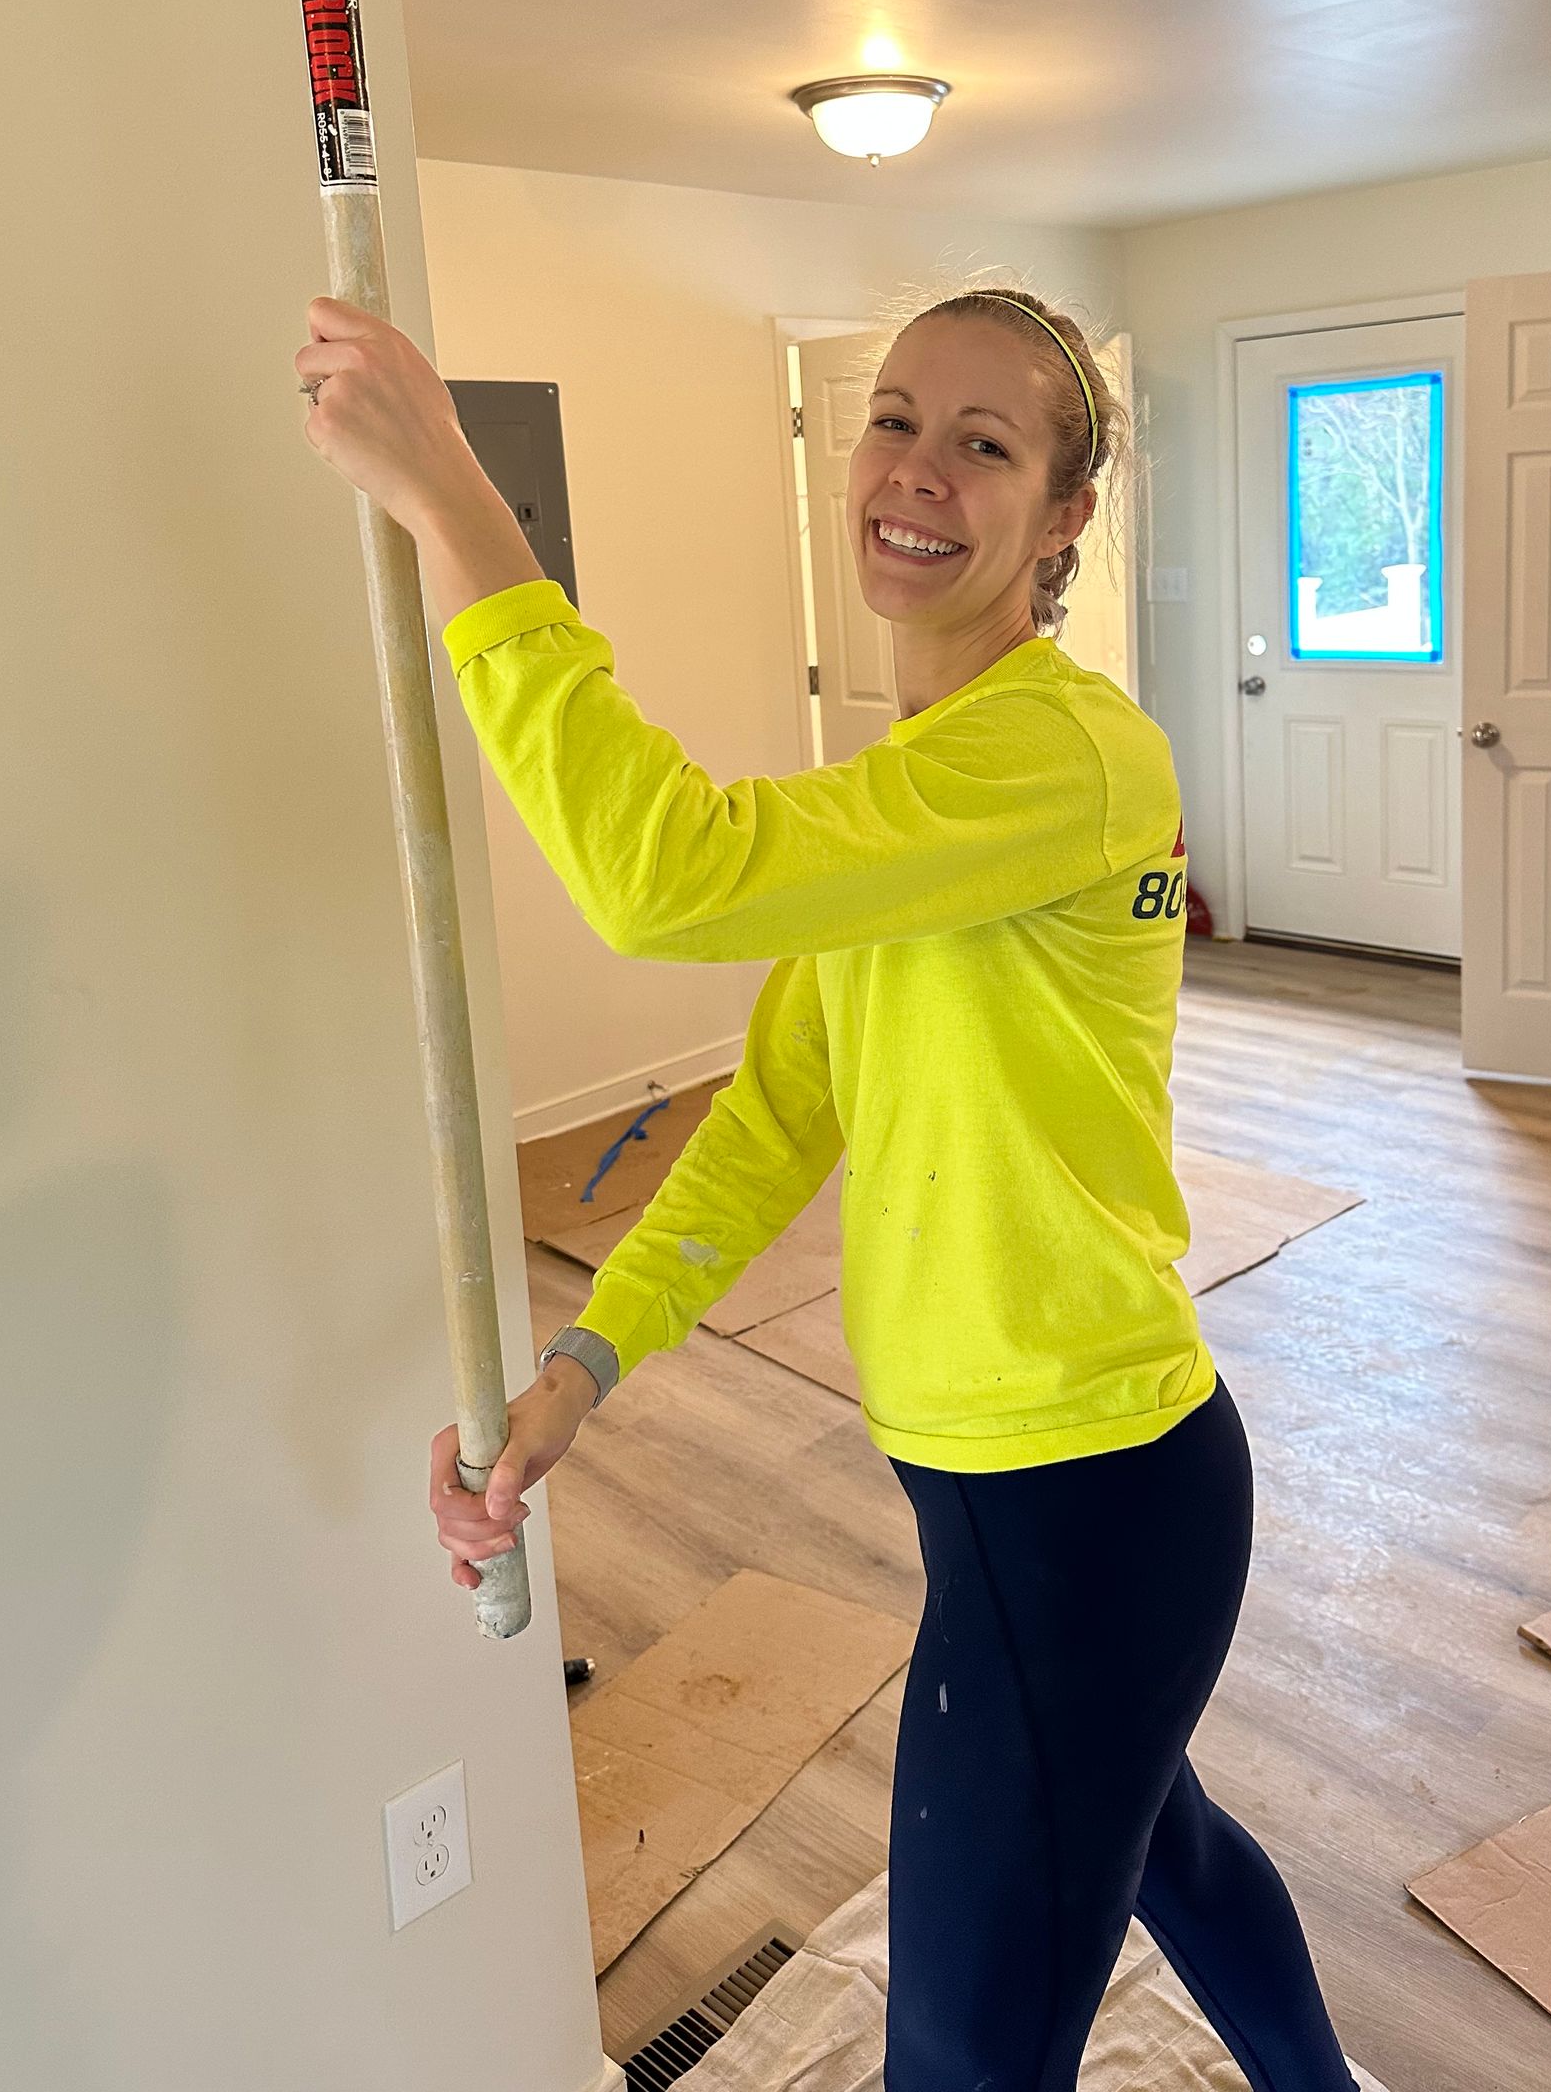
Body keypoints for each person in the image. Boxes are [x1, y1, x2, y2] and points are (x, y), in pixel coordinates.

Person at [293, 282, 1368, 2092]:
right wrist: (587, 1367)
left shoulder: (1068, 756)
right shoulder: (912, 793)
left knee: (958, 2052)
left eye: (986, 441)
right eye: (892, 419)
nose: (916, 471)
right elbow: (783, 1108)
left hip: (1088, 1501)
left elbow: (670, 883)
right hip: (1036, 1503)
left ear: (1065, 515)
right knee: (1155, 1843)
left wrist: (460, 511)